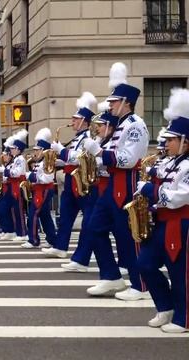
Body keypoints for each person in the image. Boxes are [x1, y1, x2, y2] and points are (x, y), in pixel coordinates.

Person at [83, 62, 149, 301]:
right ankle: (111, 275)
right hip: (112, 184)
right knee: (93, 229)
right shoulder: (119, 126)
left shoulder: (134, 126)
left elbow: (127, 160)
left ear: (126, 103)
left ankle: (140, 285)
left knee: (128, 237)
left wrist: (98, 152)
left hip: (127, 183)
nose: (109, 105)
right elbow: (109, 159)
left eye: (113, 101)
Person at [136, 88, 189, 333]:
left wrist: (152, 192)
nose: (165, 143)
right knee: (144, 264)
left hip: (180, 223)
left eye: (170, 140)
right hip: (160, 221)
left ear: (184, 142)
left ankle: (184, 318)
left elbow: (181, 197)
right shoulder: (168, 161)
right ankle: (165, 306)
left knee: (180, 273)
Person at [59, 101, 118, 272]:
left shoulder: (94, 139)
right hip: (97, 183)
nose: (98, 128)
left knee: (114, 227)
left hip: (109, 184)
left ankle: (124, 263)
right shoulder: (98, 139)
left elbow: (82, 158)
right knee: (92, 224)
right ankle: (82, 258)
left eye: (100, 125)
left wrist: (96, 154)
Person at [44, 92, 98, 262]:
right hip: (71, 179)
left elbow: (78, 157)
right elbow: (69, 159)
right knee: (66, 215)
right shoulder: (77, 138)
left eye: (75, 119)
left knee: (88, 220)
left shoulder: (87, 138)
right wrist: (55, 160)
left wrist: (61, 150)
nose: (72, 122)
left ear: (84, 121)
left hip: (81, 181)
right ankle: (60, 247)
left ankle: (83, 255)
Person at [21, 128, 57, 249]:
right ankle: (52, 239)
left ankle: (34, 240)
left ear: (43, 150)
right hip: (39, 190)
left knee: (33, 214)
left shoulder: (47, 160)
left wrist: (30, 176)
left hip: (44, 190)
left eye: (37, 150)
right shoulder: (39, 162)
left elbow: (48, 178)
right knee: (44, 215)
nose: (34, 153)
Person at [3, 129, 29, 241]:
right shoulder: (15, 159)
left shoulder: (20, 159)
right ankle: (17, 231)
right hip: (13, 185)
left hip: (17, 185)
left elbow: (16, 173)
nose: (11, 150)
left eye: (13, 148)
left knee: (19, 210)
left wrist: (7, 172)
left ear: (18, 149)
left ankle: (23, 233)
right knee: (14, 209)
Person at [0, 138, 17, 240]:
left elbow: (12, 175)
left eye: (5, 155)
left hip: (10, 188)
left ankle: (10, 230)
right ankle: (6, 229)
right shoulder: (6, 165)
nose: (3, 156)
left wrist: (3, 171)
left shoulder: (12, 164)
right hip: (4, 189)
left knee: (5, 210)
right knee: (0, 210)